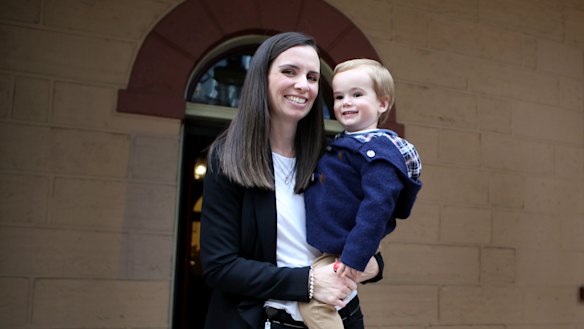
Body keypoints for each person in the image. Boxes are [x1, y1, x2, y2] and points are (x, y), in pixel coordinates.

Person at [199, 32, 385, 329]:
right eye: (289, 72)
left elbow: (357, 236)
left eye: (312, 77)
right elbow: (220, 267)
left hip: (343, 318)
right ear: (263, 77)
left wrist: (373, 266)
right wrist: (308, 282)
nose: (303, 85)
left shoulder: (331, 156)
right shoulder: (228, 159)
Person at [300, 59, 423, 329]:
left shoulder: (379, 152)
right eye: (339, 96)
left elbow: (376, 208)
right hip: (335, 244)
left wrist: (353, 257)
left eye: (357, 95)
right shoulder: (345, 145)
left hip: (344, 249)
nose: (346, 102)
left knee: (313, 306)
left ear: (382, 104)